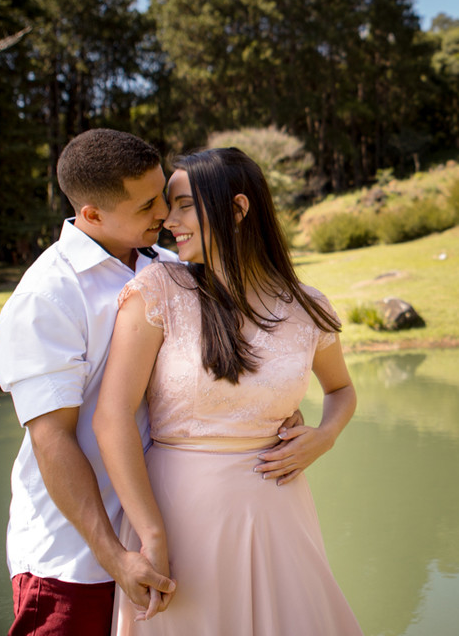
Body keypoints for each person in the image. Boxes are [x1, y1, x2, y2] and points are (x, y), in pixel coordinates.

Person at [0, 130, 313, 636]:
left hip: (177, 531)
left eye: (164, 194)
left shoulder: (170, 268)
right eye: (148, 205)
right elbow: (50, 439)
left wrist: (270, 410)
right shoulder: (46, 298)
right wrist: (115, 555)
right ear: (92, 215)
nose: (164, 212)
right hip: (80, 555)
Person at [94, 147, 363, 634]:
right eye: (165, 205)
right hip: (179, 515)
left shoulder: (308, 306)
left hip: (281, 510)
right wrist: (151, 533)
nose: (167, 220)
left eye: (181, 205)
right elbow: (112, 417)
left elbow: (341, 389)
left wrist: (326, 435)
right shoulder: (161, 290)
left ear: (237, 209)